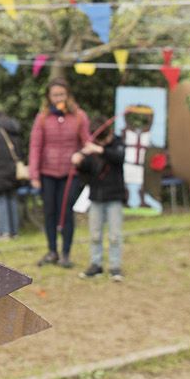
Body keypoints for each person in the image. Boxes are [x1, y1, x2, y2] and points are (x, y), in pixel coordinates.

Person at [28, 79, 90, 267]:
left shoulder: (79, 116)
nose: (58, 98)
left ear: (68, 95)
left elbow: (87, 143)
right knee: (50, 212)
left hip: (70, 173)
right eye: (54, 95)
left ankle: (66, 253)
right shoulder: (42, 118)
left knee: (66, 211)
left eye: (61, 94)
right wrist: (34, 175)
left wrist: (81, 154)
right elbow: (36, 146)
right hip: (47, 173)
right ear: (49, 97)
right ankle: (52, 250)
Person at [74, 130, 127, 280]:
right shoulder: (92, 148)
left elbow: (118, 157)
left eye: (106, 139)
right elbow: (87, 169)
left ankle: (115, 267)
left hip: (114, 196)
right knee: (95, 234)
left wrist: (99, 150)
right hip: (96, 197)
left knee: (115, 235)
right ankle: (95, 265)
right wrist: (79, 161)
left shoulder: (118, 143)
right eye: (100, 141)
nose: (103, 142)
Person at [0, 110, 25, 240]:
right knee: (12, 199)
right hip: (14, 169)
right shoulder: (14, 128)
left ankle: (4, 232)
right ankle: (14, 232)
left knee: (0, 200)